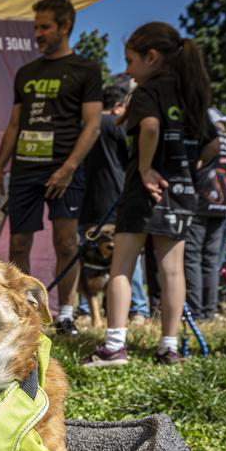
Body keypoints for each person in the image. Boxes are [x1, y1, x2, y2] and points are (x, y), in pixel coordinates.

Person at [84, 22, 218, 367]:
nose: (128, 70)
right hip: (181, 192)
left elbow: (151, 127)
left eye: (130, 61)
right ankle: (168, 347)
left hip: (144, 192)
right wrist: (186, 169)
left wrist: (145, 169)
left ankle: (114, 346)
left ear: (152, 57)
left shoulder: (148, 91)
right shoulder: (193, 94)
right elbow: (215, 144)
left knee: (122, 266)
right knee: (172, 271)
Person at [0, 0, 102, 337]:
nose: (37, 33)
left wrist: (68, 168)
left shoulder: (86, 69)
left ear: (65, 27)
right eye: (35, 26)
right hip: (25, 169)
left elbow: (93, 125)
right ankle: (23, 313)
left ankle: (66, 314)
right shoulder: (26, 72)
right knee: (18, 243)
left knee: (66, 242)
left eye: (45, 27)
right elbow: (14, 125)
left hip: (64, 170)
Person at [78, 85, 150, 323]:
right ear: (119, 107)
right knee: (128, 256)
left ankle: (86, 311)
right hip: (117, 202)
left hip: (86, 204)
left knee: (85, 259)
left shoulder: (85, 127)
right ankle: (138, 309)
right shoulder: (118, 126)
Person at [184, 107, 226, 320]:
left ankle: (195, 310)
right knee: (211, 261)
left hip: (199, 203)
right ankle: (209, 310)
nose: (223, 128)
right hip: (221, 206)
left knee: (192, 258)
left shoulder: (201, 139)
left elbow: (192, 167)